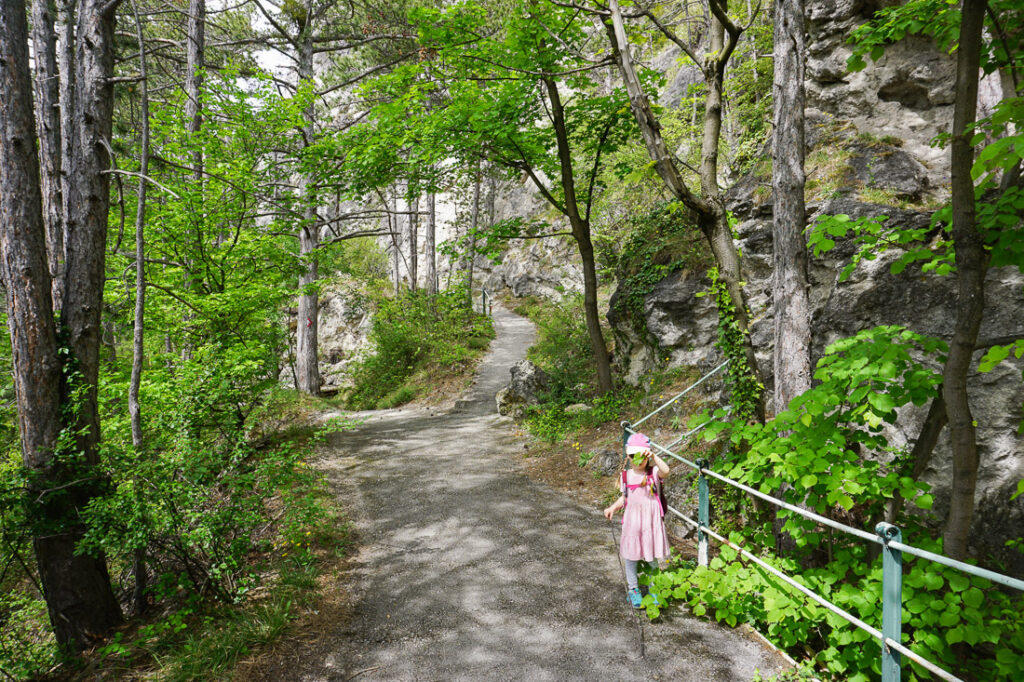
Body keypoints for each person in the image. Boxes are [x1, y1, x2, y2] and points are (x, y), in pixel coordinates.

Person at [603, 431, 671, 609]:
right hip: (633, 522)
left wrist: (655, 457)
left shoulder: (653, 472)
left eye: (642, 455)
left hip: (649, 521)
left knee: (651, 558)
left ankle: (654, 589)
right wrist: (612, 508)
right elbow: (625, 498)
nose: (638, 459)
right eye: (633, 455)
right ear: (628, 456)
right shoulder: (625, 476)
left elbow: (666, 471)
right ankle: (633, 589)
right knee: (631, 557)